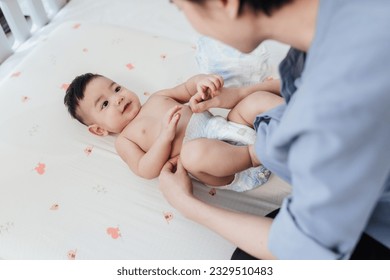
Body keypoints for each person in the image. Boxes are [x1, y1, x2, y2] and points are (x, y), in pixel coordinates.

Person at [159, 0, 390, 259]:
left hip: (373, 222)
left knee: (247, 259)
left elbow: (304, 251)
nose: (192, 23)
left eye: (182, 8)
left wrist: (187, 205)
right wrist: (242, 93)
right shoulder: (345, 18)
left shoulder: (337, 102)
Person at [64, 73, 283, 192]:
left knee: (253, 101)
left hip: (232, 128)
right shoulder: (125, 140)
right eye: (104, 104)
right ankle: (258, 154)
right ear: (99, 129)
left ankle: (297, 116)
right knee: (192, 154)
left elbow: (186, 89)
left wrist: (201, 83)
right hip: (228, 167)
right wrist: (164, 138)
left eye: (117, 88)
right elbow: (145, 169)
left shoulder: (157, 98)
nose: (118, 98)